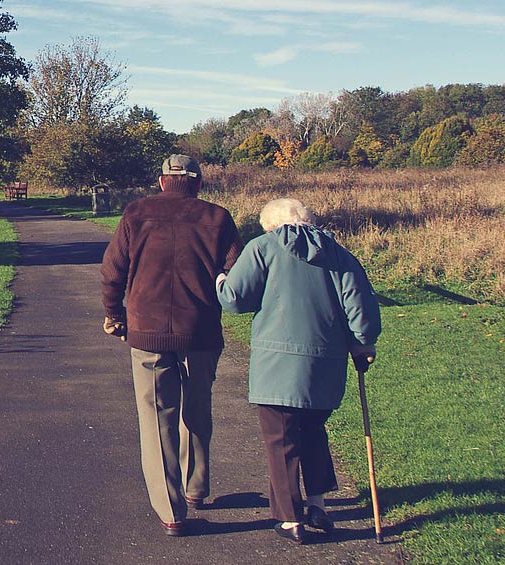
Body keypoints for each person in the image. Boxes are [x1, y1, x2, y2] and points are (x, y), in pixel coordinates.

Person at [215, 198, 381, 544]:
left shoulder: (263, 248)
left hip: (276, 365)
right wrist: (363, 343)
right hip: (326, 364)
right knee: (313, 430)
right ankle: (318, 504)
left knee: (281, 440)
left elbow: (234, 299)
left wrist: (219, 280)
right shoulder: (339, 254)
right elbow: (360, 310)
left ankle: (290, 518)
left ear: (271, 225)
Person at [101, 155, 243, 536]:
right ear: (198, 183)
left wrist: (114, 315)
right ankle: (196, 487)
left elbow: (112, 270)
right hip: (201, 331)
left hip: (147, 332)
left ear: (162, 181)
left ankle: (171, 510)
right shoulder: (217, 217)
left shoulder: (136, 213)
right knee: (198, 408)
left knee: (156, 418)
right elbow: (236, 272)